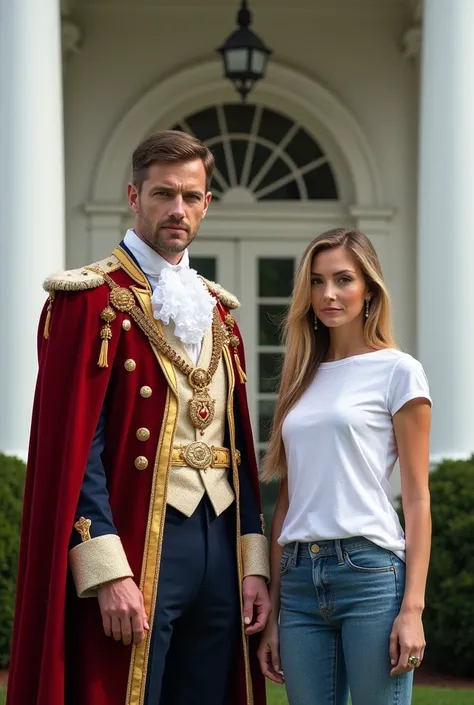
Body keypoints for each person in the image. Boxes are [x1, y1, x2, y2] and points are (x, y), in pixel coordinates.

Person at [7, 130, 271, 705]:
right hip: (137, 542)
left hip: (219, 547)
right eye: (163, 194)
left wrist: (254, 566)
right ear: (134, 195)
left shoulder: (220, 314)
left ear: (207, 205)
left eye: (192, 197)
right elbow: (74, 452)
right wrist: (105, 570)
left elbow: (240, 450)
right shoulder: (87, 303)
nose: (178, 209)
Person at [257, 228, 432, 705]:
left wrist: (412, 608)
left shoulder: (399, 371)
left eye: (343, 280)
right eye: (316, 282)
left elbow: (417, 497)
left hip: (370, 574)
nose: (328, 294)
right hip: (297, 580)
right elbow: (289, 502)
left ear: (369, 290)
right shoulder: (300, 377)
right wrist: (273, 614)